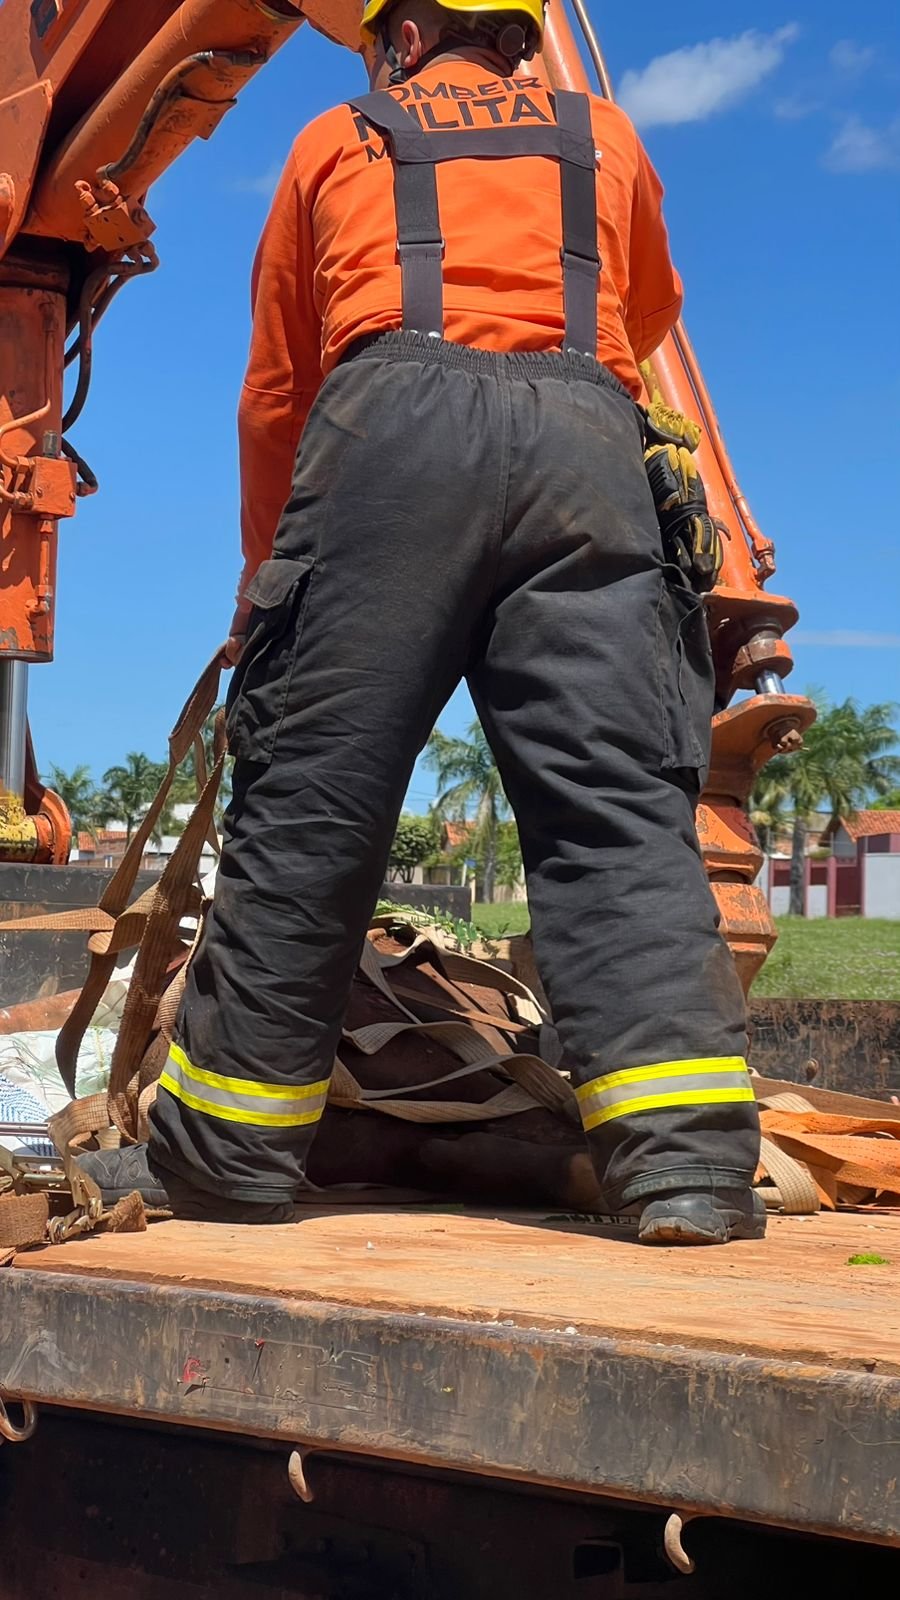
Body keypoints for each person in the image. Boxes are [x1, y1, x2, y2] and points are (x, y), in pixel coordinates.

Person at [82, 0, 764, 1244]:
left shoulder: (336, 139)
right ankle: (685, 1172)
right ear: (518, 36)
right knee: (614, 809)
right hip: (586, 451)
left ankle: (229, 1158)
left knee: (312, 805)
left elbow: (280, 387)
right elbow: (648, 312)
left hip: (386, 443)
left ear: (399, 39)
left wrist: (268, 571)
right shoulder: (604, 137)